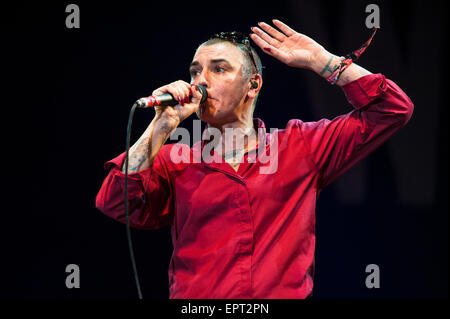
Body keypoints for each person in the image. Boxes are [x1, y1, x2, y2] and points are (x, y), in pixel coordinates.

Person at [95, 19, 413, 299]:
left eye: (218, 69)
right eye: (195, 71)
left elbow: (392, 109)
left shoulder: (300, 147)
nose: (200, 80)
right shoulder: (174, 159)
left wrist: (323, 61)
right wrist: (163, 124)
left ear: (253, 85)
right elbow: (114, 200)